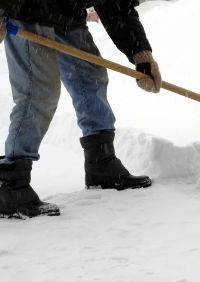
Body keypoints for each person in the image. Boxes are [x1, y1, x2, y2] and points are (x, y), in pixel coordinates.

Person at [0, 0, 162, 218]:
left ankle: (101, 163)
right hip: (26, 9)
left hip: (66, 12)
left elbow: (116, 5)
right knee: (38, 90)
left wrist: (140, 52)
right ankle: (11, 184)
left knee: (90, 77)